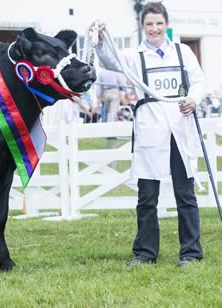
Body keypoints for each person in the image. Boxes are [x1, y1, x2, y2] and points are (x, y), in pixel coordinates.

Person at [92, 1, 205, 268]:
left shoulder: (183, 52)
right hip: (149, 130)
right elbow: (110, 61)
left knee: (185, 193)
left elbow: (198, 81)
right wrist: (99, 41)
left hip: (179, 128)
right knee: (147, 196)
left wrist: (193, 99)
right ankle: (145, 252)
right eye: (149, 24)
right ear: (142, 27)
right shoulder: (134, 55)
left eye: (159, 23)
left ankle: (191, 252)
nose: (154, 29)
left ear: (167, 25)